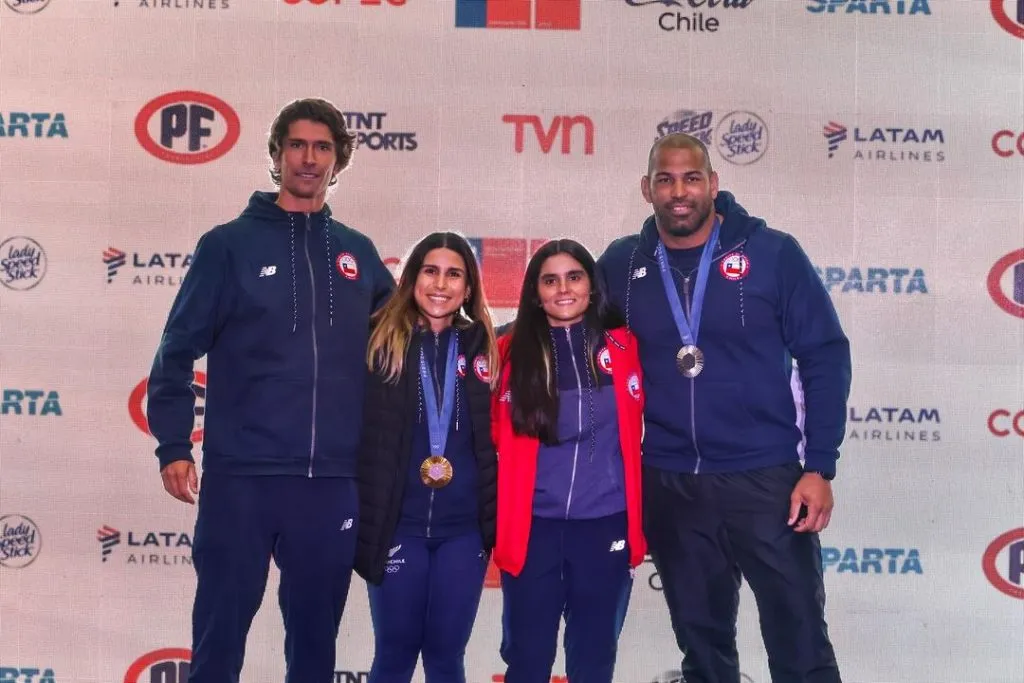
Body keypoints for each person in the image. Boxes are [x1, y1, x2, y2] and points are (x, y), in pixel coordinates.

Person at [146, 98, 395, 683]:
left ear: (339, 160)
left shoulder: (357, 253)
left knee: (313, 651)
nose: (308, 159)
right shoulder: (227, 246)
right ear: (277, 154)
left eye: (322, 147)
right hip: (242, 480)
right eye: (297, 145)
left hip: (330, 484)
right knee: (218, 642)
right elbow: (176, 351)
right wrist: (174, 446)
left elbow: (406, 346)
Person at [596, 132, 851, 683]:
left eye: (691, 178)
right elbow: (563, 327)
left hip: (765, 478)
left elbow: (824, 354)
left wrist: (819, 466)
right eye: (665, 179)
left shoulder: (773, 253)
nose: (678, 191)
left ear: (713, 183)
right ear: (647, 189)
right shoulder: (622, 264)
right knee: (703, 647)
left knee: (799, 636)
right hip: (670, 482)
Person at [491, 239, 647, 683]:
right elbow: (488, 434)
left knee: (594, 659)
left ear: (592, 286)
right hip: (533, 527)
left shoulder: (625, 346)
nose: (563, 289)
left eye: (574, 277)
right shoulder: (506, 349)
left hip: (605, 524)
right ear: (535, 291)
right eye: (550, 279)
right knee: (526, 660)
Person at [354, 232, 499, 683]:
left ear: (469, 287)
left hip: (464, 532)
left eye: (454, 273)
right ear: (412, 278)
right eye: (430, 271)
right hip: (399, 528)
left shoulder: (484, 347)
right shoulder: (378, 341)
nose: (441, 284)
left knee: (445, 655)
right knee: (394, 654)